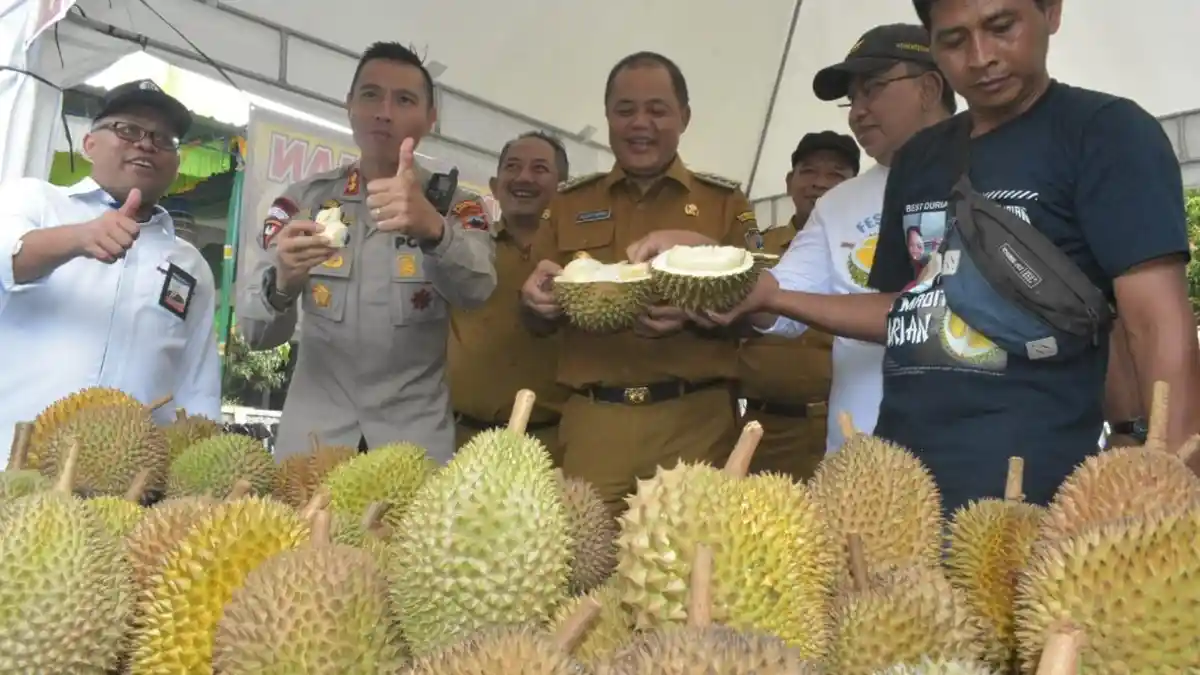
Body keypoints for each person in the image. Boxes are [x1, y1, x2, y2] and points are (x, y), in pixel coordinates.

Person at [679, 0, 1200, 515]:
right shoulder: (919, 160)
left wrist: (1168, 474)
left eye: (1001, 26)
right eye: (953, 40)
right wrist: (774, 294)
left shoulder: (1106, 133)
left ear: (1051, 13)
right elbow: (906, 309)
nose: (980, 56)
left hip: (1037, 483)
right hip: (899, 480)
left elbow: (1156, 323)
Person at [518, 51, 757, 514]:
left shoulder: (725, 203)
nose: (639, 123)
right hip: (594, 423)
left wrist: (699, 315)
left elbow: (760, 314)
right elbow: (535, 319)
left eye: (657, 110)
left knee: (694, 567)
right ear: (607, 116)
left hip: (696, 421)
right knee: (580, 568)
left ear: (684, 117)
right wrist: (534, 303)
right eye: (625, 110)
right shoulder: (568, 204)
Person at [237, 42, 496, 463]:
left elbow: (480, 288)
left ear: (431, 118)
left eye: (405, 99)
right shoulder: (302, 204)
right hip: (314, 442)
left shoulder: (456, 207)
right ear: (350, 106)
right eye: (371, 95)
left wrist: (434, 230)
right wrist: (281, 284)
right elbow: (256, 335)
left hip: (413, 444)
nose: (384, 111)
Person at [757, 23, 957, 455]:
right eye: (852, 98)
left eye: (873, 89)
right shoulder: (839, 203)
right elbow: (778, 297)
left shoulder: (997, 177)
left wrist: (771, 299)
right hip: (857, 462)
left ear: (929, 87)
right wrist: (700, 265)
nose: (856, 112)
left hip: (969, 454)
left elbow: (933, 317)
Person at [0, 79, 220, 462]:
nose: (147, 143)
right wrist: (79, 238)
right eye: (128, 129)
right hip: (12, 463)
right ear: (89, 144)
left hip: (127, 487)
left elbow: (196, 382)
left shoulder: (190, 265)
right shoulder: (34, 200)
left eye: (164, 139)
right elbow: (8, 257)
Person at [736, 131, 858, 479]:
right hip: (762, 427)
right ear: (790, 181)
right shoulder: (754, 253)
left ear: (856, 187)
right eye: (808, 172)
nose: (820, 183)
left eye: (835, 174)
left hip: (841, 423)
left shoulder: (868, 251)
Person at [447, 131, 571, 457]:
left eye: (540, 169)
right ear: (494, 184)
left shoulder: (577, 259)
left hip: (552, 443)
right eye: (512, 167)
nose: (523, 177)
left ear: (563, 187)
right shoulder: (465, 251)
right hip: (464, 441)